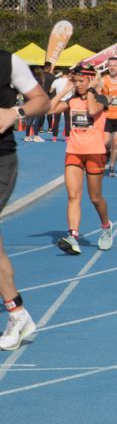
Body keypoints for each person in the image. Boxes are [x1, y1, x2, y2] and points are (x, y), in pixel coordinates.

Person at [0, 46, 52, 351]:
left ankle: (18, 315)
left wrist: (14, 112)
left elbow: (42, 101)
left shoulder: (8, 62)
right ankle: (18, 314)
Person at [49, 65, 114, 255]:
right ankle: (72, 237)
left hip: (95, 153)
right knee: (73, 196)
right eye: (75, 81)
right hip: (74, 152)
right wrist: (65, 90)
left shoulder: (102, 98)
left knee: (95, 198)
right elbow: (49, 109)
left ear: (90, 80)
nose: (78, 85)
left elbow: (93, 110)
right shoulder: (72, 100)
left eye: (81, 81)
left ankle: (106, 225)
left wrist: (94, 89)